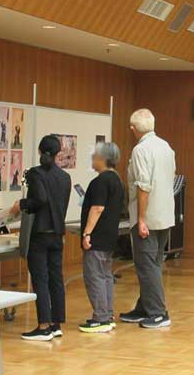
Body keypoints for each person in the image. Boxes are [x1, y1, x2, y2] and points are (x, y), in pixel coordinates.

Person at [10, 135, 71, 341]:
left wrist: (22, 204)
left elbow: (40, 200)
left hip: (40, 234)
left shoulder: (36, 173)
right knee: (56, 278)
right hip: (57, 234)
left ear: (39, 150)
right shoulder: (65, 177)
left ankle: (43, 326)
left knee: (40, 279)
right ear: (58, 153)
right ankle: (56, 324)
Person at [120, 109, 176, 329]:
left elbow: (143, 186)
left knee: (146, 265)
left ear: (133, 129)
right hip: (165, 215)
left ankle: (159, 312)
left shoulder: (141, 150)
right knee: (154, 263)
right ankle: (144, 307)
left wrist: (141, 219)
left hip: (148, 218)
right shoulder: (166, 147)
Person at [79, 142, 125, 333]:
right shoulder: (117, 180)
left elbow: (97, 208)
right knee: (105, 276)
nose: (92, 159)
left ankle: (101, 317)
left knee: (94, 276)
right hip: (110, 237)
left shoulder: (100, 181)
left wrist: (87, 233)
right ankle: (107, 314)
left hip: (97, 237)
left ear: (102, 159)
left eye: (94, 156)